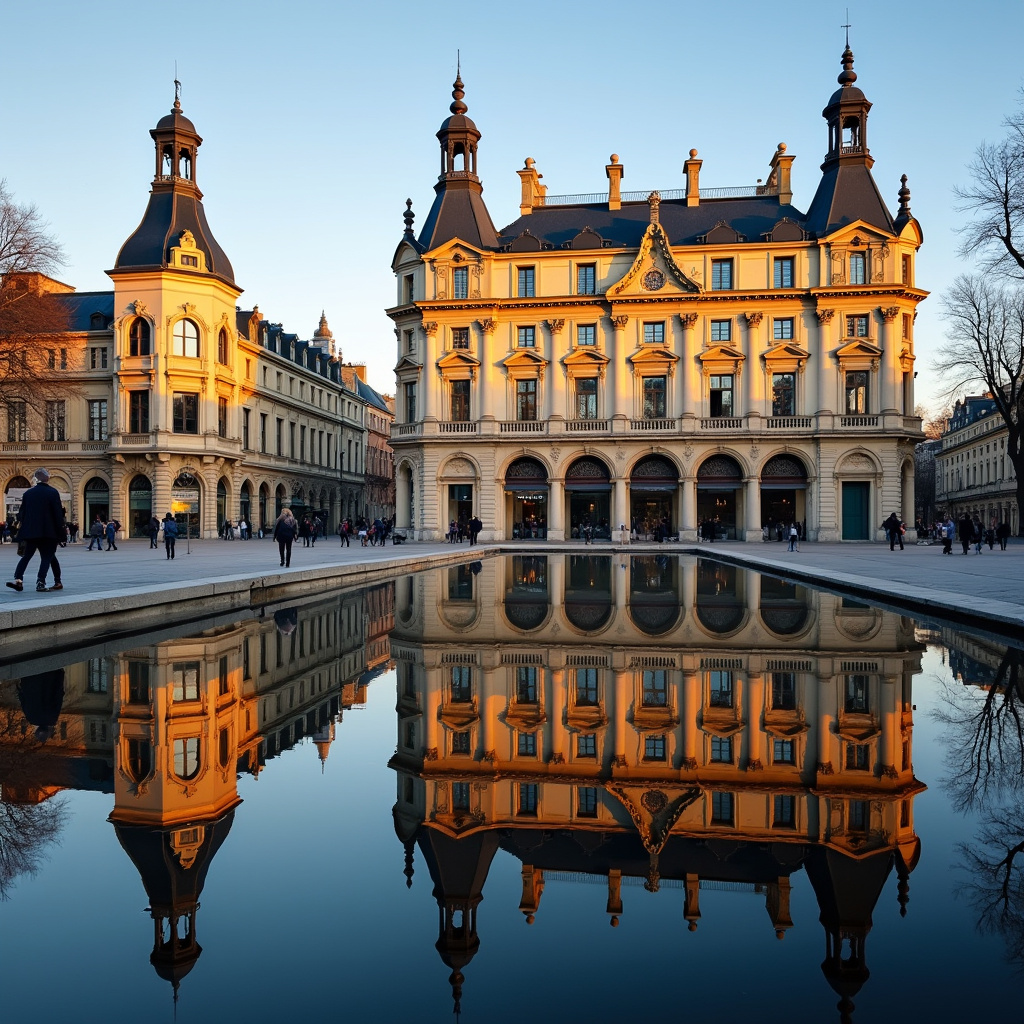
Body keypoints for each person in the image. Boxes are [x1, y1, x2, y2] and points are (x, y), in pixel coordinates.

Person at [5, 468, 66, 593]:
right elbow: (58, 515)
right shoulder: (53, 492)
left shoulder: (28, 494)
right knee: (46, 558)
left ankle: (18, 580)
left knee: (26, 556)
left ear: (36, 479)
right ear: (47, 479)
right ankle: (40, 582)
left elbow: (21, 515)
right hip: (49, 533)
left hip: (30, 532)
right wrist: (62, 535)